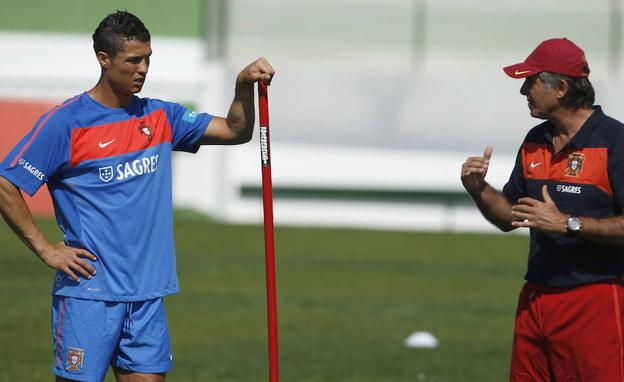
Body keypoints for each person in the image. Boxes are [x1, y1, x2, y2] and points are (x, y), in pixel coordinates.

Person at [0, 10, 274, 382]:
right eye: (133, 60)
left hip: (146, 296)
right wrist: (45, 248)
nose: (143, 68)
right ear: (104, 59)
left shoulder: (160, 116)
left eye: (148, 59)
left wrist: (242, 85)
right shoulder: (66, 122)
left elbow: (235, 130)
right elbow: (6, 183)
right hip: (90, 295)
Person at [461, 37, 624, 381]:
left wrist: (568, 223)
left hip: (595, 300)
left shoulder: (615, 143)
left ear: (561, 87)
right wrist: (479, 190)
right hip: (535, 299)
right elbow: (510, 216)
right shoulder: (535, 139)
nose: (524, 91)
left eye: (531, 81)